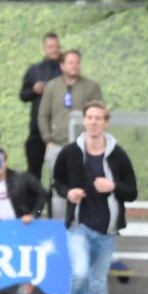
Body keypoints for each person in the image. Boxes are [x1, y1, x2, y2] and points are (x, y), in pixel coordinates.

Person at [52, 101, 137, 294]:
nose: (93, 122)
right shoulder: (70, 152)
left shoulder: (117, 154)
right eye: (89, 117)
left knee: (98, 284)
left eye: (98, 118)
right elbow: (57, 181)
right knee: (80, 274)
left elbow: (132, 191)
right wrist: (69, 193)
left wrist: (114, 187)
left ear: (106, 122)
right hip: (79, 226)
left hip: (106, 230)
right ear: (84, 121)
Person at [38, 49, 103, 219]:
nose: (74, 66)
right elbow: (43, 115)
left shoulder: (91, 87)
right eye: (71, 62)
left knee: (86, 185)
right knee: (58, 188)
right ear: (62, 65)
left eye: (77, 62)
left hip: (83, 147)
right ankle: (60, 225)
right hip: (57, 145)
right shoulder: (52, 87)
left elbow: (99, 113)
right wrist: (48, 140)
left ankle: (86, 223)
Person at [19, 32, 62, 180]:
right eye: (51, 47)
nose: (54, 50)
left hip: (59, 132)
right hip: (37, 131)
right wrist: (34, 90)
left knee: (57, 174)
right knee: (33, 172)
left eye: (56, 46)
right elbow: (23, 95)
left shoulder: (65, 70)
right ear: (44, 49)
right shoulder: (34, 70)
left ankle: (54, 197)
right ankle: (34, 197)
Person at [0, 146, 45, 222]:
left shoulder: (22, 178)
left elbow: (42, 193)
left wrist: (34, 214)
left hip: (22, 226)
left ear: (6, 162)